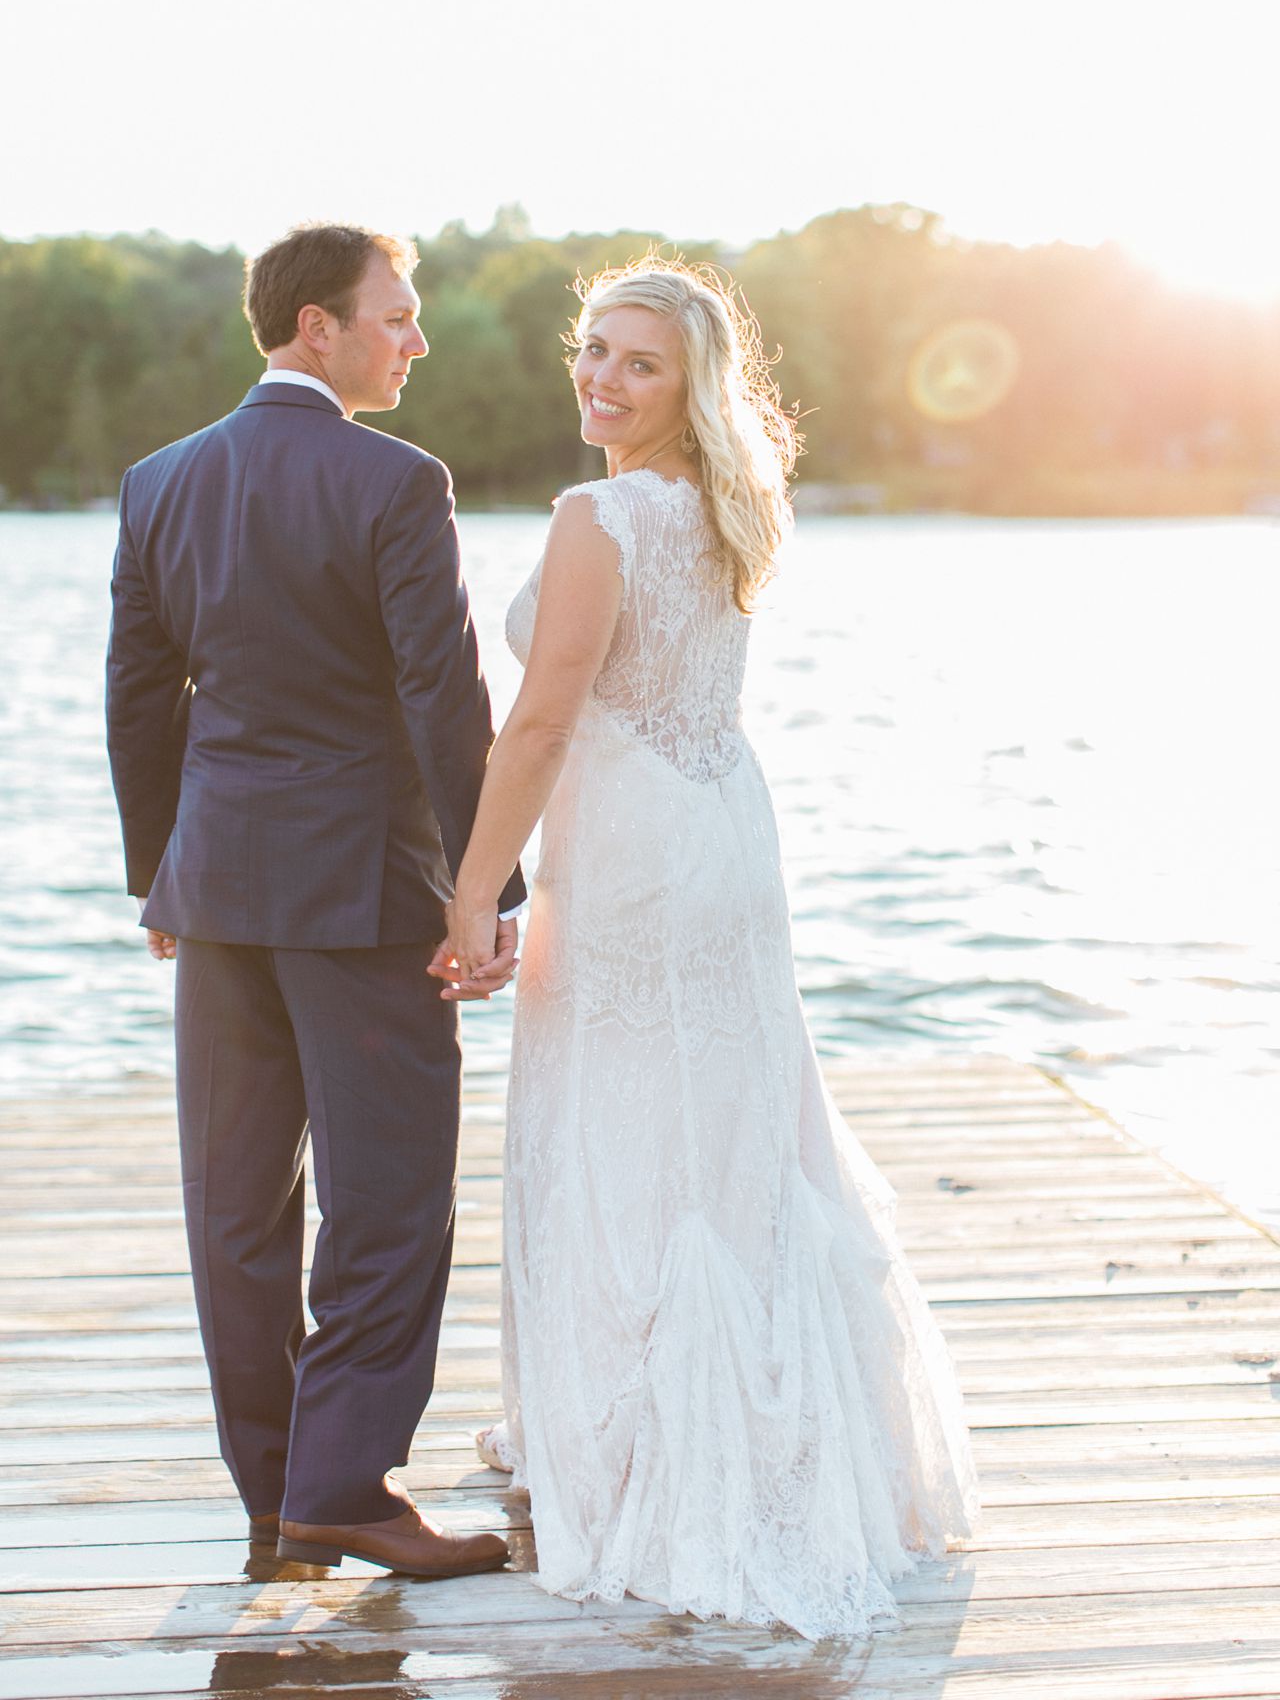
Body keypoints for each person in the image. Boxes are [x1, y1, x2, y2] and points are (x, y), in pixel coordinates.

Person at [431, 258, 980, 1639]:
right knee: (725, 1125)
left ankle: (637, 1443)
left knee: (623, 1130)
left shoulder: (596, 514)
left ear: (692, 387)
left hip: (632, 860)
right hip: (723, 836)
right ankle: (741, 1417)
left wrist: (471, 890)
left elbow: (544, 723)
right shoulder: (733, 503)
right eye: (596, 351)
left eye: (640, 364)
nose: (602, 380)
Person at [105, 223, 524, 1578]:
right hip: (361, 892)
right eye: (393, 317)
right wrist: (486, 887)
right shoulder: (397, 481)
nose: (415, 339)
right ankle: (342, 1485)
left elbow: (136, 698)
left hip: (216, 890)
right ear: (313, 329)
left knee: (234, 1204)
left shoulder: (158, 480)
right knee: (391, 1195)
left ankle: (278, 1491)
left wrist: (157, 870)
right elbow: (443, 700)